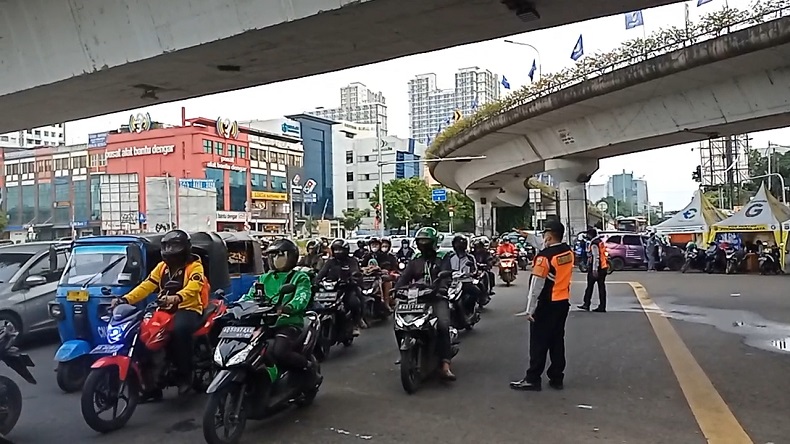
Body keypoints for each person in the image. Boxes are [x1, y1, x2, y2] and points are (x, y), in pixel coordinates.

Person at [113, 229, 207, 396]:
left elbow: (195, 287)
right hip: (164, 310)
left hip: (188, 308)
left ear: (185, 248)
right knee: (143, 334)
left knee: (179, 331)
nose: (171, 250)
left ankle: (184, 375)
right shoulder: (162, 267)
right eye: (167, 246)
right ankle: (150, 383)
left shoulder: (195, 266)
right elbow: (147, 286)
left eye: (175, 246)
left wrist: (178, 297)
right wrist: (125, 299)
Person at [510, 221, 573, 392]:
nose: (543, 237)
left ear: (550, 235)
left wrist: (530, 310)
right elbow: (544, 245)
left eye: (545, 234)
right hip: (562, 302)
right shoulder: (567, 251)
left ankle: (532, 379)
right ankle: (557, 377)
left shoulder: (544, 258)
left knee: (538, 343)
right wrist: (527, 236)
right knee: (557, 341)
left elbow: (536, 285)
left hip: (545, 305)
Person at [241, 239, 317, 379]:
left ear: (291, 256)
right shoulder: (265, 277)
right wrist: (236, 307)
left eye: (279, 255)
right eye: (273, 255)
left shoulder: (300, 277)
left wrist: (288, 307)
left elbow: (302, 296)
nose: (275, 259)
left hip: (288, 322)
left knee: (279, 351)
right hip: (263, 322)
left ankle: (308, 367)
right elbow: (249, 296)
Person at [394, 227, 455, 380]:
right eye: (420, 241)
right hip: (416, 297)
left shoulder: (443, 256)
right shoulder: (415, 259)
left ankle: (445, 365)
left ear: (433, 242)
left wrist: (442, 288)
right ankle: (404, 353)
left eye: (426, 241)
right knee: (399, 322)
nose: (423, 244)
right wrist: (396, 289)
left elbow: (447, 276)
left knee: (442, 324)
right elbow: (405, 276)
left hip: (436, 297)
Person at [316, 238, 364, 334]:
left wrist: (352, 278)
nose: (338, 252)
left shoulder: (352, 261)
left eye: (340, 249)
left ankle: (355, 323)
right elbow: (321, 273)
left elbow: (355, 272)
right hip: (331, 289)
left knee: (354, 302)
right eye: (336, 250)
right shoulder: (330, 262)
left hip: (347, 288)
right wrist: (316, 281)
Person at [445, 235, 484, 325]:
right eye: (457, 244)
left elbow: (475, 269)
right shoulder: (449, 257)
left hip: (466, 281)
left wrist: (472, 273)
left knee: (476, 292)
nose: (459, 246)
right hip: (452, 282)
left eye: (461, 244)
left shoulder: (470, 257)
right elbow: (444, 269)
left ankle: (469, 311)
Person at [579, 227, 608, 313]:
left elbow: (596, 257)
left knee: (590, 287)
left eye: (588, 234)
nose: (586, 236)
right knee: (601, 287)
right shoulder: (599, 242)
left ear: (591, 235)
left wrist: (594, 269)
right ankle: (602, 306)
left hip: (597, 268)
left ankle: (586, 304)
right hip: (603, 267)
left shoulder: (594, 244)